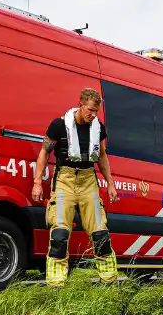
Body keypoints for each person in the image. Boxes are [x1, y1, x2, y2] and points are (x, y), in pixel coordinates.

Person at [32, 87, 119, 286]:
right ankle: (56, 284)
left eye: (96, 111)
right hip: (65, 179)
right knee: (60, 234)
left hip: (89, 180)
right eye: (90, 110)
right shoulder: (58, 125)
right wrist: (38, 183)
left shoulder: (99, 128)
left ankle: (109, 281)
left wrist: (111, 184)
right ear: (80, 105)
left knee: (100, 233)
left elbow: (102, 157)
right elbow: (44, 153)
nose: (93, 115)